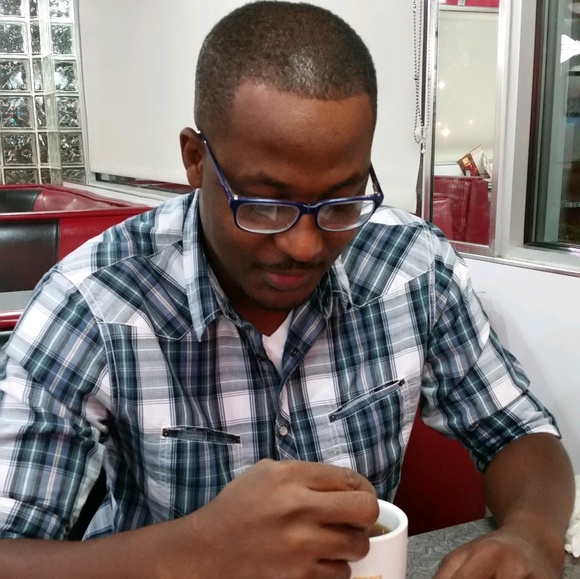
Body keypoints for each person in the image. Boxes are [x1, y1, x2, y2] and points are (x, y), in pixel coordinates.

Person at [0, 2, 574, 577]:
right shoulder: (93, 302)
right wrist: (201, 549)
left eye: (341, 201)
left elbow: (518, 431)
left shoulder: (412, 266)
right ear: (196, 160)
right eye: (265, 204)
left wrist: (532, 533)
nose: (304, 246)